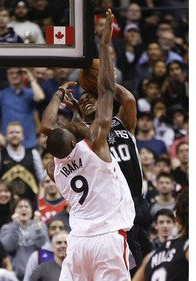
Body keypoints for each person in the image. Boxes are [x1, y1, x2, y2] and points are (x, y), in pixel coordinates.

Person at [41, 9, 135, 280]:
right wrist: (104, 45)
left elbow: (49, 131)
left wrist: (61, 99)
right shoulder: (95, 143)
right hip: (108, 237)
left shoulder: (54, 171)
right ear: (74, 139)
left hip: (78, 241)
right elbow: (106, 90)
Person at [132, 189, 189, 281]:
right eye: (161, 222)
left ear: (177, 220)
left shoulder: (150, 257)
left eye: (168, 222)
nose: (165, 226)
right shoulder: (186, 247)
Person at [0, 122, 46, 209]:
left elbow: (42, 180)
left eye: (17, 132)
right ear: (6, 136)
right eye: (11, 132)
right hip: (5, 206)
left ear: (22, 136)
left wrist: (40, 202)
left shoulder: (33, 154)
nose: (14, 135)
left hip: (30, 205)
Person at [0, 67, 45, 149]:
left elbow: (40, 97)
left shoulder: (30, 92)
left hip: (29, 141)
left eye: (18, 73)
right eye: (11, 73)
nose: (14, 75)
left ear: (22, 75)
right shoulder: (1, 94)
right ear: (7, 75)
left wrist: (30, 77)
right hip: (7, 141)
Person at [0, 198, 49, 281]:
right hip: (15, 276)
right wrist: (15, 226)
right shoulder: (7, 228)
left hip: (38, 274)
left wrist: (38, 227)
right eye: (20, 206)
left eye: (26, 206)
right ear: (14, 211)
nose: (23, 209)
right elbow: (8, 247)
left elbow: (43, 247)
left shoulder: (40, 226)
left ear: (32, 211)